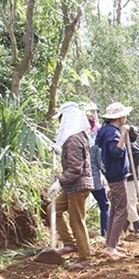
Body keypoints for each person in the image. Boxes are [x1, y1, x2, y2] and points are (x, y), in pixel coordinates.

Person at [49, 102, 94, 268]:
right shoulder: (76, 136)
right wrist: (59, 150)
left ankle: (86, 259)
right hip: (73, 186)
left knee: (77, 221)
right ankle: (69, 243)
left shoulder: (74, 139)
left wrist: (59, 182)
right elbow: (74, 158)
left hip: (78, 185)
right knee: (53, 209)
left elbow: (75, 169)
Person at [95, 102, 133, 259]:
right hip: (116, 177)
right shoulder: (113, 133)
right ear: (120, 117)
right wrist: (123, 135)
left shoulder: (105, 131)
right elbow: (116, 153)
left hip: (112, 175)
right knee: (122, 211)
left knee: (115, 209)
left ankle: (111, 243)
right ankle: (111, 247)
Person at [86, 107, 109, 240]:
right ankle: (105, 233)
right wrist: (108, 176)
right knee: (105, 205)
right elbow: (101, 165)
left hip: (81, 179)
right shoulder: (95, 145)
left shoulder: (81, 139)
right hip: (95, 180)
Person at [125, 126, 139, 234]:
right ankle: (124, 228)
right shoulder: (130, 145)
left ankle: (138, 226)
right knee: (129, 202)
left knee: (130, 203)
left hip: (131, 178)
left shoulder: (131, 146)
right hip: (132, 177)